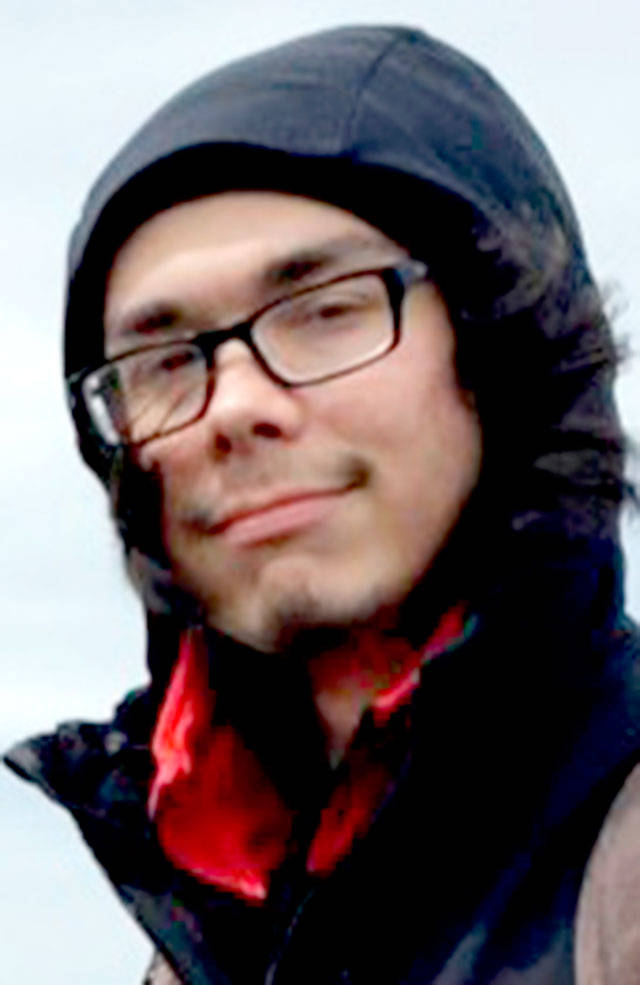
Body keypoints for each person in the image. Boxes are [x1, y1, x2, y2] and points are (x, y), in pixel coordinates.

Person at [5, 23, 640, 985]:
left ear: (500, 343)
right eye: (163, 361)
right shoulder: (200, 926)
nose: (236, 405)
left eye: (327, 309)